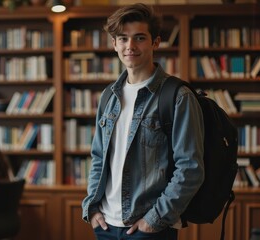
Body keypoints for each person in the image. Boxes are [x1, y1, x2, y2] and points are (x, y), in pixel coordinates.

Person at [82, 3, 205, 240]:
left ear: (155, 42)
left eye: (139, 38)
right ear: (114, 44)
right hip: (105, 225)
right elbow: (98, 156)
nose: (130, 46)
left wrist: (154, 220)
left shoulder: (177, 97)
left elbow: (190, 168)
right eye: (123, 38)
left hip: (149, 228)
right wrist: (92, 208)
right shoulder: (108, 96)